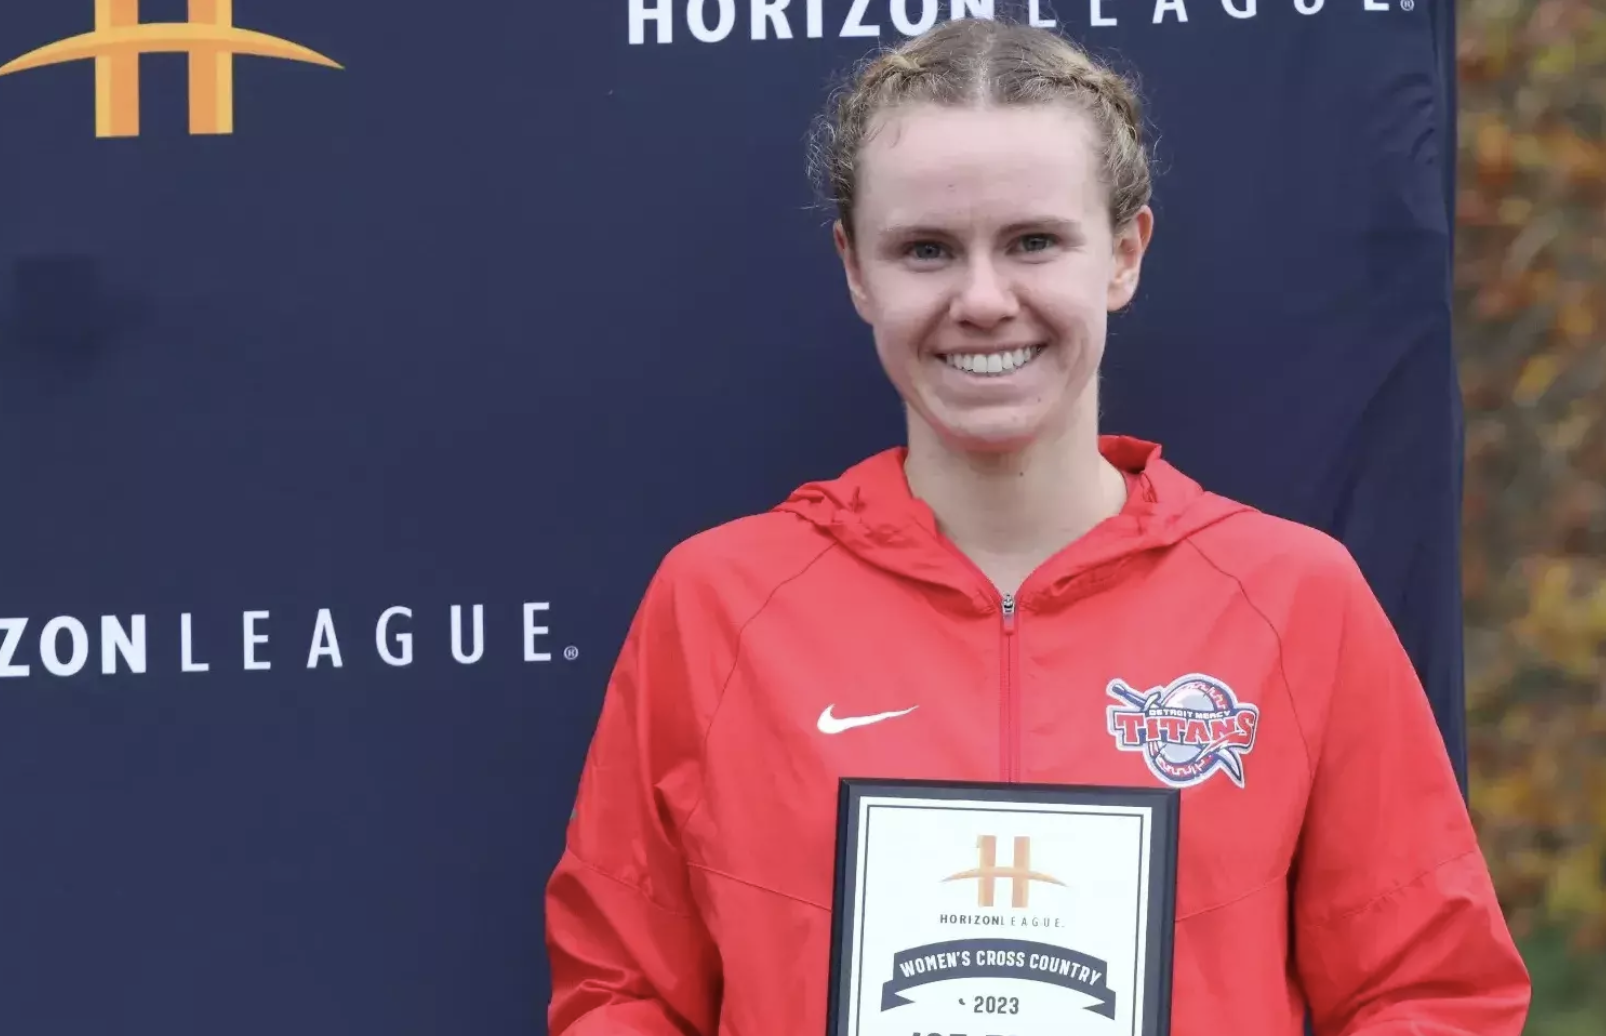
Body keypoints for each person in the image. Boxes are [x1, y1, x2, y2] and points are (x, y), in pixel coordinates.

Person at [543, 16, 1529, 1036]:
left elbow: (1431, 992)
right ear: (855, 270)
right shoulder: (717, 604)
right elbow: (621, 991)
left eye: (1034, 242)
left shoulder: (1294, 598)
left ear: (1124, 253)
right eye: (926, 249)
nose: (982, 299)